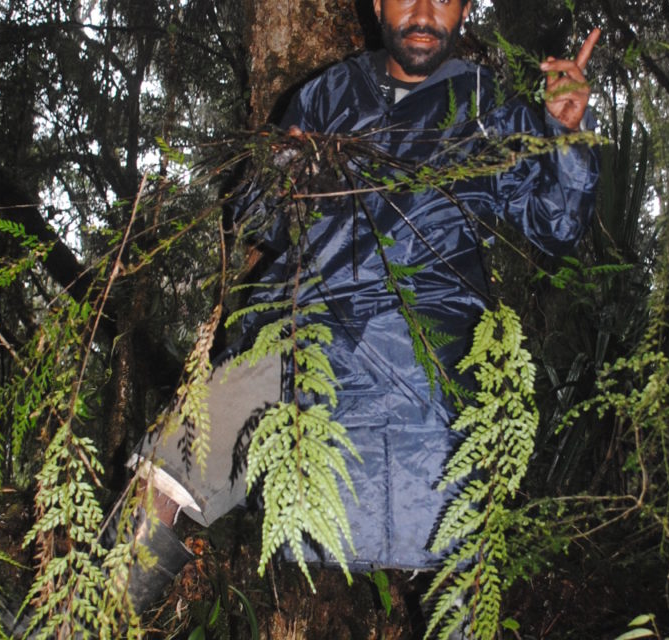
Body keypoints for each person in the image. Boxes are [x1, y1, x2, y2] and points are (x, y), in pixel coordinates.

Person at [119, 0, 601, 616]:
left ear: (464, 9)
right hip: (305, 331)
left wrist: (566, 135)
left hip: (437, 341)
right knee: (173, 459)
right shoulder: (329, 92)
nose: (425, 11)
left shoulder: (490, 106)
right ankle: (80, 619)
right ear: (377, 4)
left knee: (458, 553)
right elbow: (262, 225)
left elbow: (556, 227)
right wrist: (277, 173)